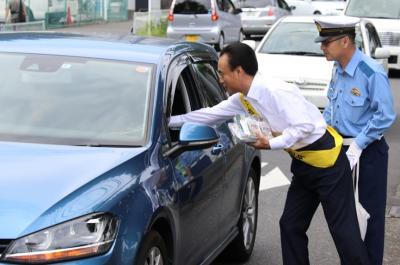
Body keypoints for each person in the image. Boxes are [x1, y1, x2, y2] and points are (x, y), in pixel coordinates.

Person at [169, 42, 371, 265]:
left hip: (327, 162)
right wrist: (168, 122)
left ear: (239, 71)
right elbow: (209, 115)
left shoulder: (275, 91)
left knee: (343, 232)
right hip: (303, 164)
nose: (219, 79)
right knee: (290, 225)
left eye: (221, 73)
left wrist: (272, 143)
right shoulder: (242, 99)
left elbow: (304, 126)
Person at [314, 16, 396, 265]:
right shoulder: (337, 69)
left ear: (345, 41)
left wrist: (359, 143)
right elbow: (331, 107)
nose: (322, 47)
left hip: (367, 153)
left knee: (368, 219)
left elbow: (386, 115)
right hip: (341, 151)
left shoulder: (370, 72)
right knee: (345, 220)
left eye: (327, 42)